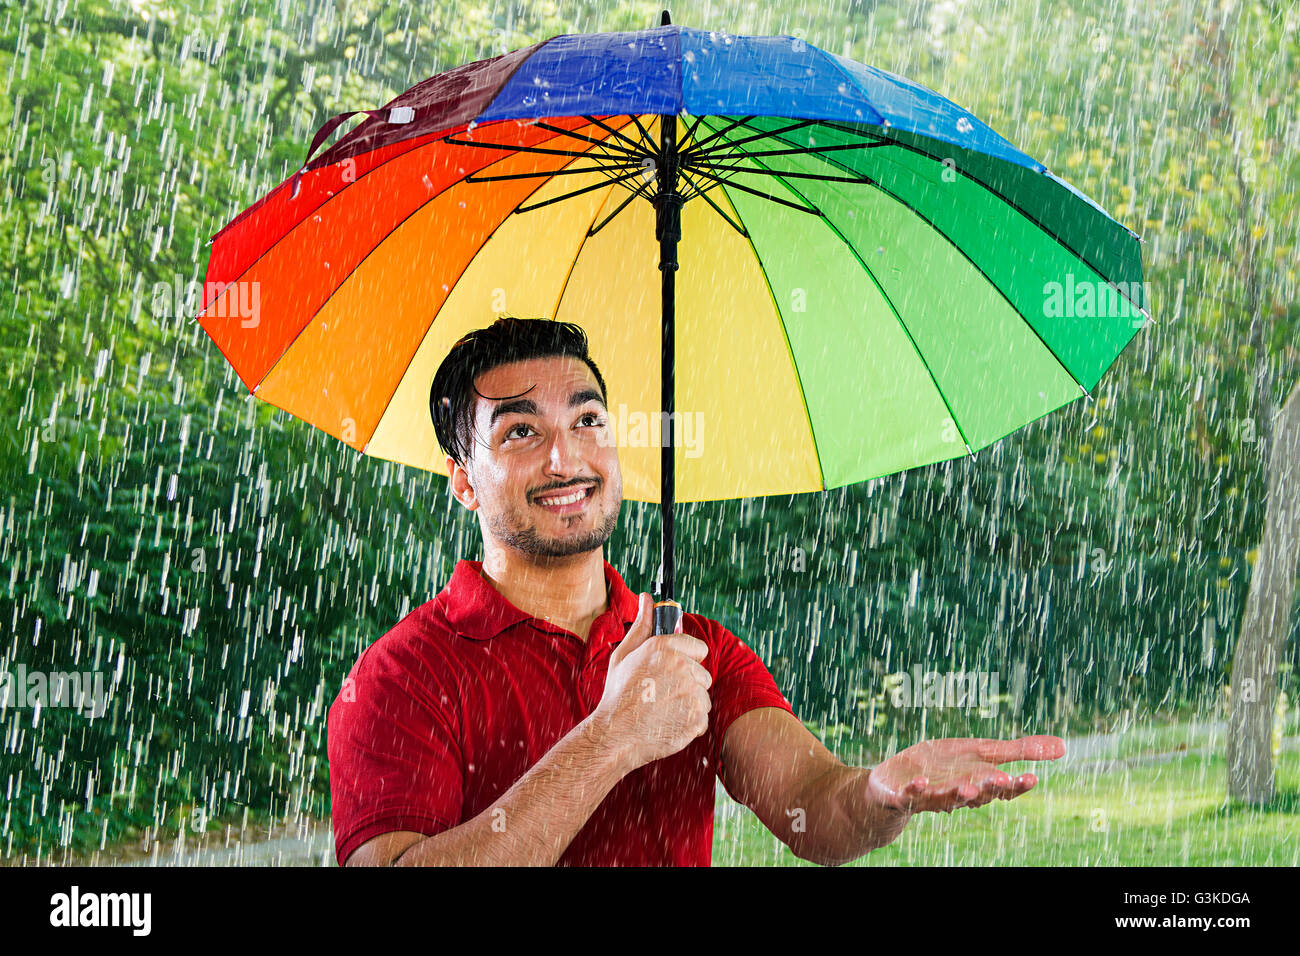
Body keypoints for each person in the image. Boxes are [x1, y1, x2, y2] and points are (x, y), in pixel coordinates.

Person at [326, 316, 1064, 866]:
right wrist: (612, 739)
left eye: (587, 420)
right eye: (520, 433)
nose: (567, 456)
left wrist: (878, 793)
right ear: (462, 480)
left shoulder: (691, 648)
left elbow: (811, 803)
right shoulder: (398, 679)